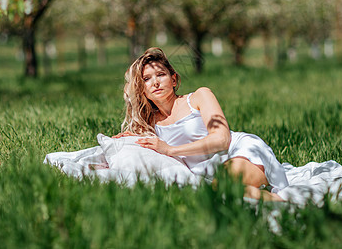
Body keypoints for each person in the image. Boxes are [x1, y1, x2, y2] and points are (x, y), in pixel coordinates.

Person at [113, 47, 289, 201]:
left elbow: (222, 140)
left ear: (173, 80)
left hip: (241, 152)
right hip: (210, 175)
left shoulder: (198, 97)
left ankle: (289, 204)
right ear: (141, 88)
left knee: (220, 188)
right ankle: (277, 201)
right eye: (146, 79)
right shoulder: (150, 122)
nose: (156, 83)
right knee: (219, 194)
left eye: (161, 75)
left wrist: (170, 150)